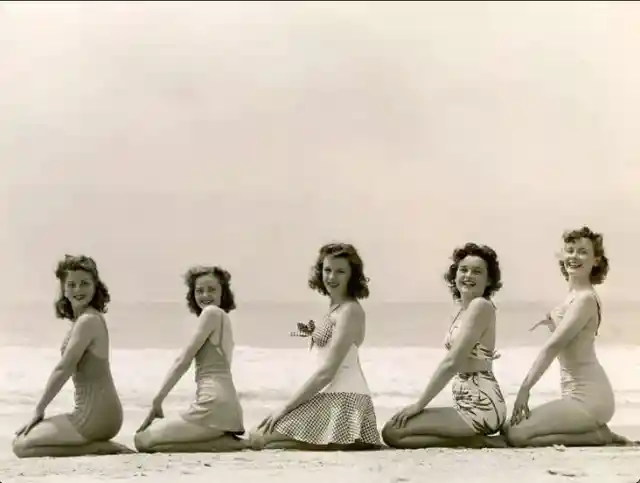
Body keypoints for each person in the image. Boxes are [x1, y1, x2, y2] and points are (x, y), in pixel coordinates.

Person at [506, 227, 634, 447]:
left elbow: (552, 347)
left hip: (590, 399)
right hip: (574, 397)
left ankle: (599, 436)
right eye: (570, 250)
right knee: (508, 427)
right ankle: (595, 431)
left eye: (582, 252)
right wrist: (551, 318)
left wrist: (524, 390)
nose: (574, 256)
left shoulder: (585, 299)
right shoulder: (573, 298)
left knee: (517, 435)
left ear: (596, 260)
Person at [250, 242, 382, 450]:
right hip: (331, 396)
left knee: (259, 438)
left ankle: (348, 441)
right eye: (327, 270)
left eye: (340, 271)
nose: (331, 277)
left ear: (352, 275)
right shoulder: (335, 309)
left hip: (345, 401)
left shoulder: (350, 311)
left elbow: (327, 373)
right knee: (258, 436)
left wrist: (284, 408)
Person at [382, 243, 507, 449]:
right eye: (463, 270)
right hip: (464, 404)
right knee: (394, 434)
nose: (468, 275)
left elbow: (452, 362)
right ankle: (473, 440)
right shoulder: (461, 312)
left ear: (489, 280)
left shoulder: (480, 306)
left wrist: (419, 405)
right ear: (455, 274)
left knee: (393, 431)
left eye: (477, 272)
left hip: (481, 406)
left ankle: (479, 440)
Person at [12, 255, 130, 458]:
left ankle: (98, 448)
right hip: (97, 414)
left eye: (84, 283)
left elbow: (64, 368)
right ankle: (97, 446)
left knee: (21, 446)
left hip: (95, 416)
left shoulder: (88, 321)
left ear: (95, 286)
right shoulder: (83, 320)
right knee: (21, 444)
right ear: (64, 290)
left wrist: (39, 410)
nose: (78, 290)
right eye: (72, 284)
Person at [134, 265, 246, 453]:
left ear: (223, 293)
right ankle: (226, 441)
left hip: (211, 407)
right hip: (228, 409)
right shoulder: (223, 319)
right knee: (153, 441)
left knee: (142, 440)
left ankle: (231, 444)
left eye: (212, 289)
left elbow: (183, 360)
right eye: (199, 290)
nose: (205, 295)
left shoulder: (211, 313)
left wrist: (157, 400)